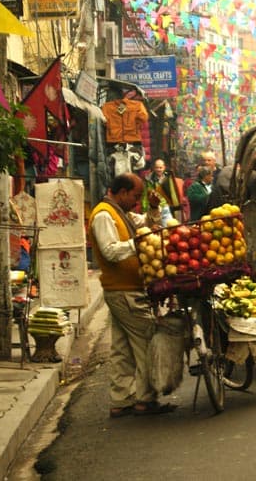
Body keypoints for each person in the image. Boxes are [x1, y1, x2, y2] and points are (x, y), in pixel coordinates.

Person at [89, 173, 177, 418]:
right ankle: (145, 399)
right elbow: (110, 251)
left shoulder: (121, 212)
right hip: (124, 291)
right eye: (135, 196)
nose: (137, 201)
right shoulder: (104, 215)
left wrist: (155, 211)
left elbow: (143, 223)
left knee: (122, 349)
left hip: (123, 290)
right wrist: (138, 243)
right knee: (147, 342)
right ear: (122, 192)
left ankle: (121, 400)